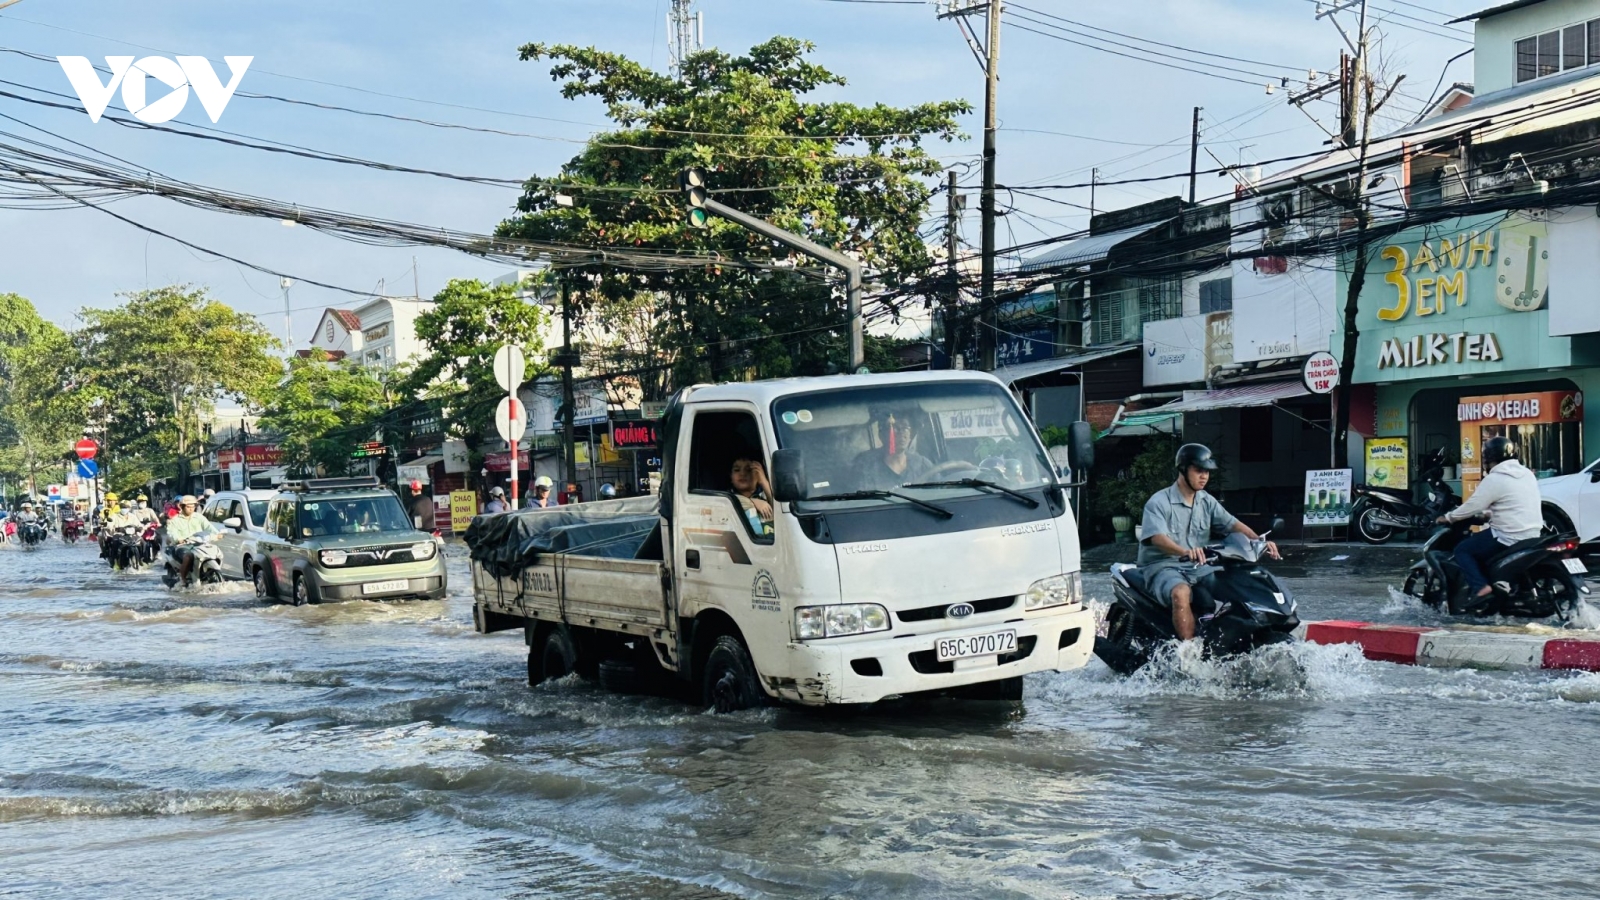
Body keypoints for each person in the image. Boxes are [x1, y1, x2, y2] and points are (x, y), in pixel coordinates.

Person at [1138, 443, 1280, 641]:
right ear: (1183, 469)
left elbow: (1232, 524)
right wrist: (1184, 552)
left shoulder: (1206, 501)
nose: (1204, 476)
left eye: (1207, 472)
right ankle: (1188, 654)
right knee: (1180, 592)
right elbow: (1157, 538)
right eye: (1198, 471)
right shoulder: (1159, 502)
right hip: (1162, 565)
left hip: (1198, 565)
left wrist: (1259, 541)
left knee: (1235, 585)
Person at [1436, 436, 1543, 601]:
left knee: (1462, 550)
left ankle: (1481, 587)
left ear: (1489, 458)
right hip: (1534, 534)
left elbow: (1473, 505)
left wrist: (1449, 517)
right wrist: (1490, 515)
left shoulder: (1495, 479)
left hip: (1508, 536)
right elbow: (1513, 505)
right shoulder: (1527, 473)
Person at [854, 408, 934, 491]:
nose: (901, 433)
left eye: (905, 428)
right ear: (882, 435)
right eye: (895, 428)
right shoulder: (865, 464)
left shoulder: (922, 465)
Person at [165, 495, 214, 584]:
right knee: (188, 556)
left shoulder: (199, 517)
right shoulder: (175, 520)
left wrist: (217, 534)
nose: (191, 509)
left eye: (193, 506)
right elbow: (171, 533)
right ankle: (183, 580)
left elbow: (209, 527)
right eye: (188, 507)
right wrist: (178, 539)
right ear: (182, 506)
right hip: (183, 546)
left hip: (200, 544)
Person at [730, 455, 774, 537]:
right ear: (731, 477)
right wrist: (751, 502)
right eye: (737, 470)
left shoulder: (765, 495)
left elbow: (780, 507)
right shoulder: (728, 498)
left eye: (749, 470)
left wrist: (763, 481)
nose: (742, 474)